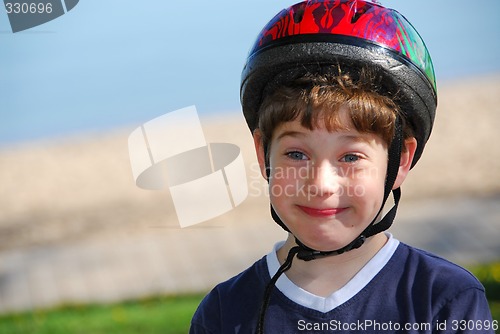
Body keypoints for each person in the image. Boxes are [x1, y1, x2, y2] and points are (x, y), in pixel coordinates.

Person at [190, 1, 495, 333]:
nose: (321, 184)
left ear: (400, 161)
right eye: (296, 154)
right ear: (264, 153)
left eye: (350, 157)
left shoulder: (444, 299)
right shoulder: (223, 313)